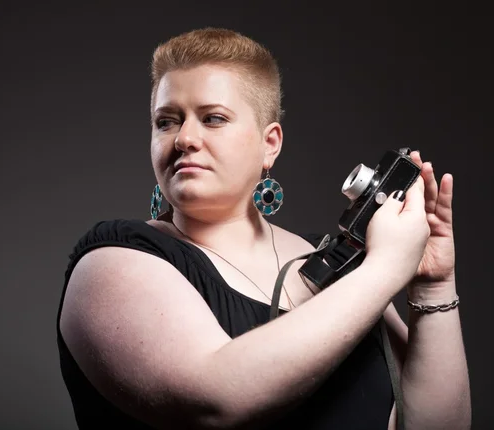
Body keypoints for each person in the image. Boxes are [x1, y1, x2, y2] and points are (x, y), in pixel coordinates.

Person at [56, 28, 471, 429]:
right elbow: (215, 401)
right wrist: (386, 268)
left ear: (269, 143)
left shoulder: (338, 261)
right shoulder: (110, 263)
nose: (184, 138)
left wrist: (433, 284)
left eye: (213, 118)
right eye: (166, 121)